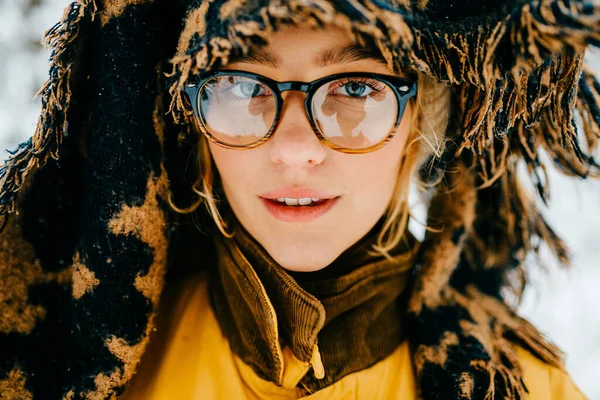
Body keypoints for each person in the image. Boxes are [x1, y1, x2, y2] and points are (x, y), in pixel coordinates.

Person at [0, 0, 597, 399]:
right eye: (239, 84)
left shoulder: (526, 388)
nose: (294, 150)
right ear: (189, 121)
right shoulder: (58, 363)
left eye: (356, 87)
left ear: (421, 117)